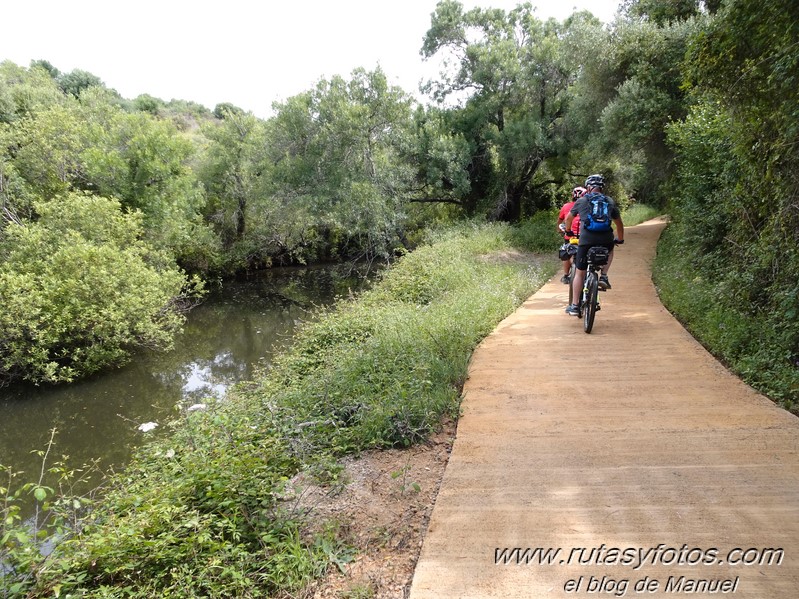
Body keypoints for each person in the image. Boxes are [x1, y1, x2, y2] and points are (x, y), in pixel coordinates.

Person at [563, 174, 624, 316]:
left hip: (586, 239)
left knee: (580, 272)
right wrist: (620, 239)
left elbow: (568, 219)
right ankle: (603, 276)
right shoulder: (609, 201)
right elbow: (619, 223)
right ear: (602, 187)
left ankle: (575, 305)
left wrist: (568, 231)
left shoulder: (583, 200)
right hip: (606, 238)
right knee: (611, 248)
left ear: (588, 187)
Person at [556, 187, 585, 284]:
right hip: (584, 236)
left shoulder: (566, 206)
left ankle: (565, 275)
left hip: (570, 235)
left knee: (566, 252)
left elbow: (560, 220)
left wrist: (559, 230)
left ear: (572, 195)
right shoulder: (587, 206)